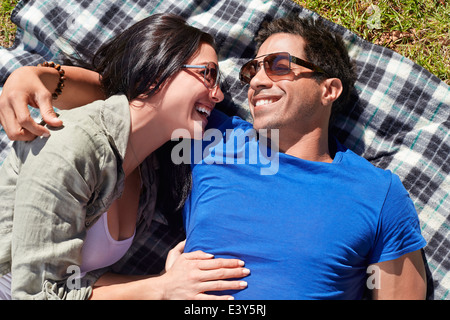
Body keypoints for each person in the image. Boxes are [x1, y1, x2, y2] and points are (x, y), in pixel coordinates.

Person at [0, 16, 427, 299]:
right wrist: (35, 76)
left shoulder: (378, 193)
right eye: (251, 70)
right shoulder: (209, 135)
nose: (256, 81)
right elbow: (132, 94)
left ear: (328, 89)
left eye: (278, 65)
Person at [0, 13, 250, 300]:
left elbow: (76, 281)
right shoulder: (71, 147)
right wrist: (161, 289)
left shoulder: (146, 174)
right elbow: (35, 295)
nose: (217, 94)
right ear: (157, 69)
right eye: (207, 73)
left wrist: (169, 282)